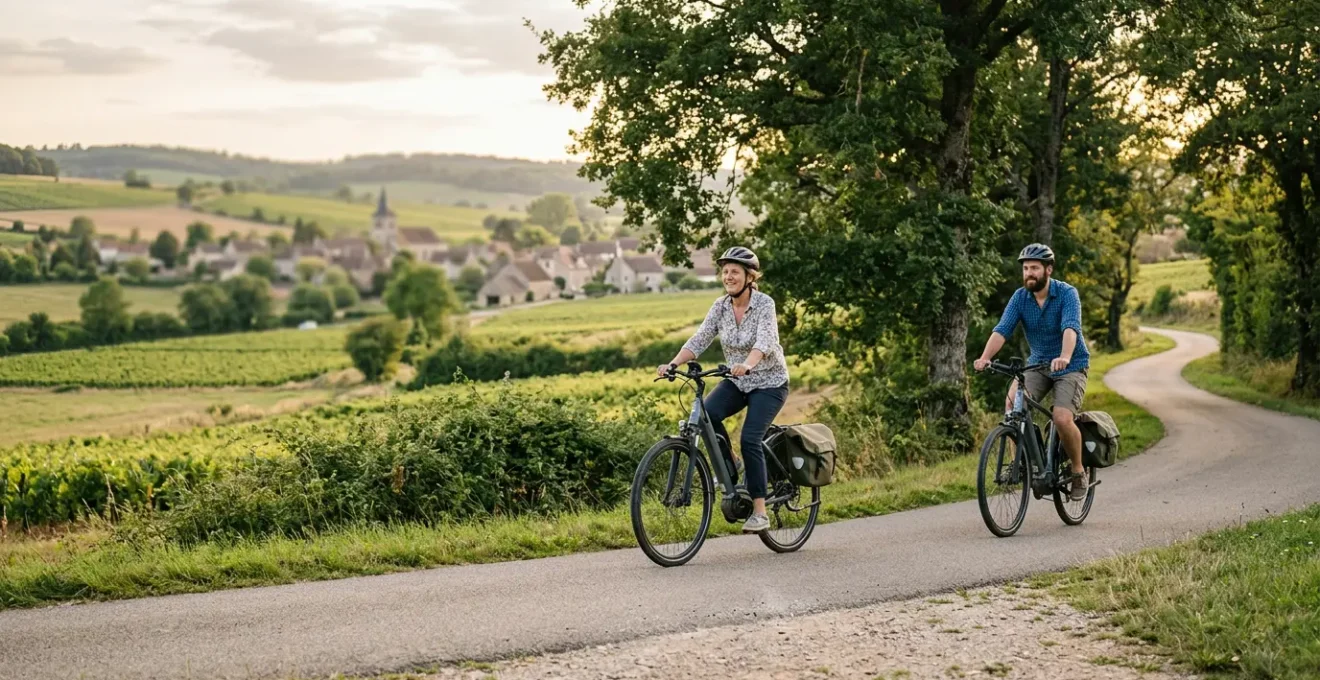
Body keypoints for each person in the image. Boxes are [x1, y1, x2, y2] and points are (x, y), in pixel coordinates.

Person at [659, 246, 790, 533]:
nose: (728, 276)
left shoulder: (764, 304)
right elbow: (701, 338)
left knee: (750, 438)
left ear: (750, 277)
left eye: (735, 272)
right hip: (737, 380)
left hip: (769, 383)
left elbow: (765, 342)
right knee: (706, 413)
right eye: (725, 272)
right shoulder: (720, 306)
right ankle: (732, 463)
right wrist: (674, 363)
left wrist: (748, 364)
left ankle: (760, 512)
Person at [974, 243, 1092, 501]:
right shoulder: (1020, 298)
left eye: (1035, 268)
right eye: (1026, 268)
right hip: (1038, 364)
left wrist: (1065, 356)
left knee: (1062, 418)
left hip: (1071, 365)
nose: (1029, 273)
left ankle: (1077, 471)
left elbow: (1070, 328)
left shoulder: (1067, 294)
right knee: (1012, 406)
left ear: (1048, 270)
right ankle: (1024, 463)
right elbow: (1002, 330)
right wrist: (985, 358)